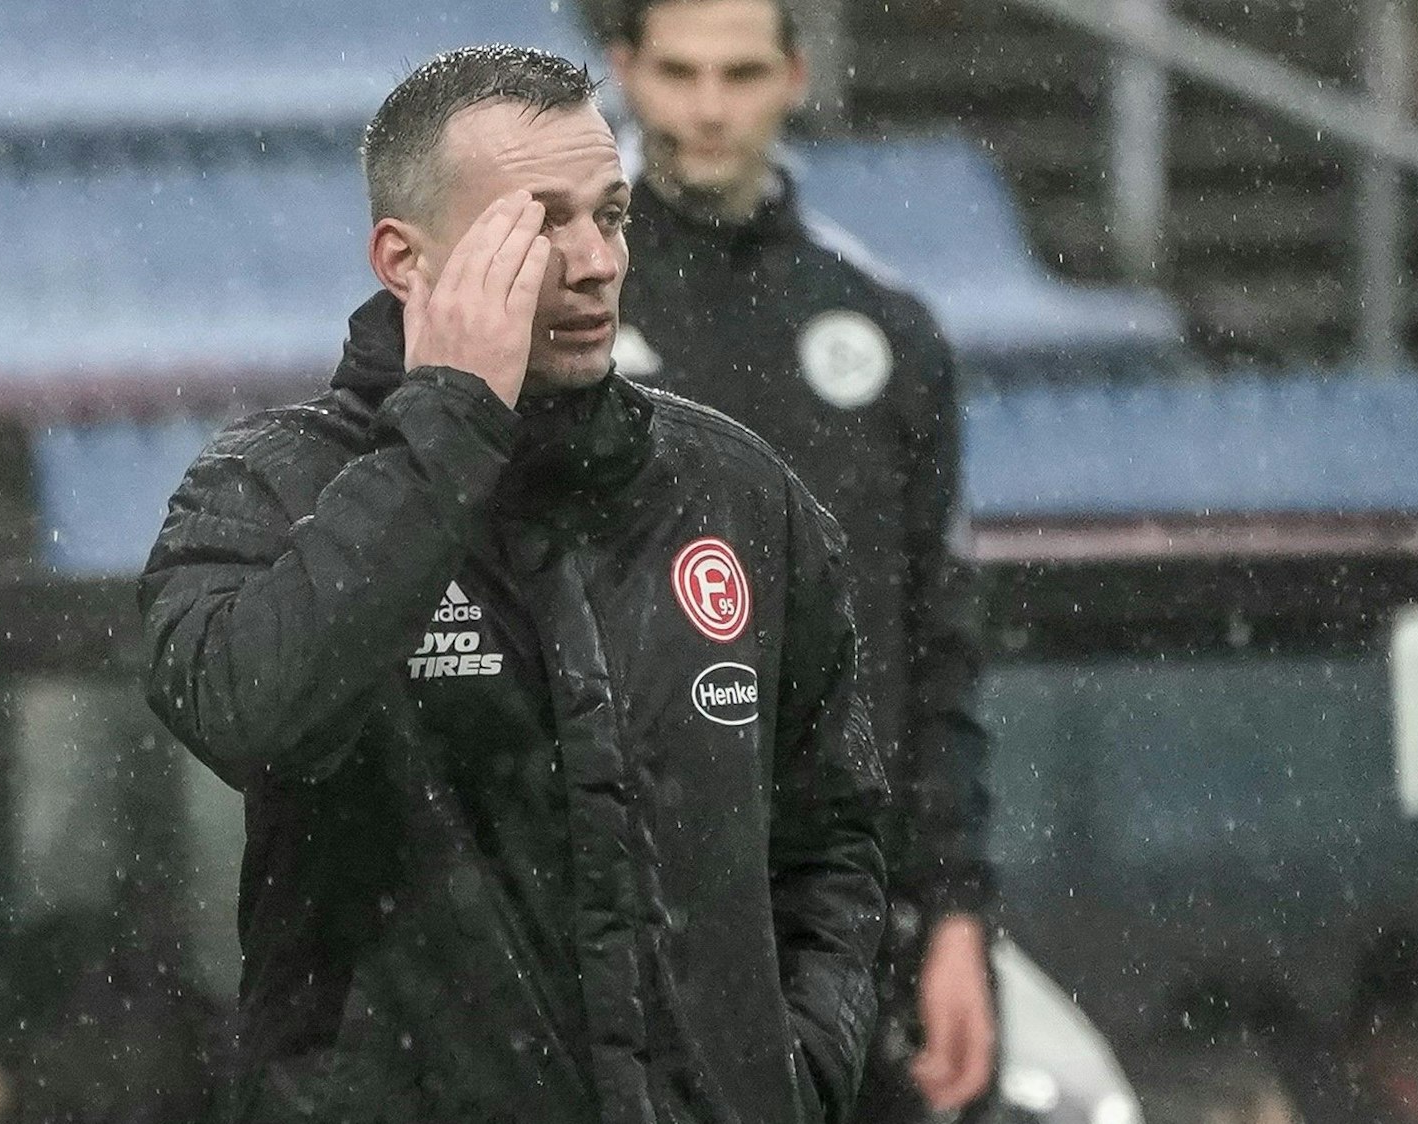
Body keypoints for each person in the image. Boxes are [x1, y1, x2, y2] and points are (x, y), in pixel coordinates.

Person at [140, 44, 893, 1124]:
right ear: (405, 260)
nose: (593, 260)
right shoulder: (269, 485)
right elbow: (254, 715)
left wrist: (793, 1067)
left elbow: (834, 828)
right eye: (540, 221)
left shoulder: (733, 488)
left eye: (612, 214)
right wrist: (446, 422)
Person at [603, 1, 999, 1117]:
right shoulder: (561, 306)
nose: (710, 108)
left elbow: (938, 650)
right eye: (680, 73)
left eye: (740, 73)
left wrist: (959, 910)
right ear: (625, 73)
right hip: (613, 909)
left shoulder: (883, 325)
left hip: (844, 913)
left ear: (794, 75)